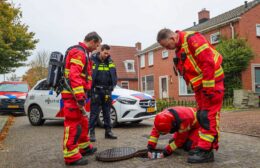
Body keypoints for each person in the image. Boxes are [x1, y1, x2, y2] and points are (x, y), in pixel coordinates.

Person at [156, 29, 224, 163]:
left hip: (212, 83)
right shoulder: (180, 48)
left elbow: (208, 62)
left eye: (166, 45)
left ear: (172, 38)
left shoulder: (192, 39)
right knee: (201, 115)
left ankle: (206, 151)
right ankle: (203, 146)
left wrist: (209, 88)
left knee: (208, 116)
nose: (167, 49)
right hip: (201, 87)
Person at [61, 32, 102, 166]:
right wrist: (79, 97)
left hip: (78, 95)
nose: (97, 48)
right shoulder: (79, 53)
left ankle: (83, 147)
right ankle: (71, 156)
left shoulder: (84, 53)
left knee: (83, 121)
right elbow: (75, 75)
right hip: (73, 96)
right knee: (73, 124)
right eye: (97, 45)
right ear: (92, 41)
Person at [89, 44, 118, 142]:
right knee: (94, 113)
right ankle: (91, 133)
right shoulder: (93, 60)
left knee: (107, 112)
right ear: (100, 51)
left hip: (107, 91)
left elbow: (114, 74)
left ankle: (108, 132)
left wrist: (112, 86)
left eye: (108, 53)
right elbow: (89, 75)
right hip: (96, 91)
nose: (106, 55)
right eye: (105, 53)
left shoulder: (110, 61)